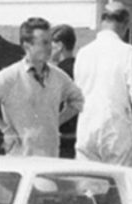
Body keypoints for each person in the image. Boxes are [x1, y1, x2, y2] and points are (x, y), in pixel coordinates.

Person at [0, 17, 83, 157]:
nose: (49, 47)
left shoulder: (58, 76)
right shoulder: (10, 76)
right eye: (44, 43)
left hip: (51, 159)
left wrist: (55, 122)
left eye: (50, 42)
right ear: (27, 45)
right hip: (20, 160)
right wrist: (6, 129)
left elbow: (78, 100)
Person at [73, 2, 132, 166]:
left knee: (87, 178)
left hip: (86, 126)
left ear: (102, 21)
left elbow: (77, 92)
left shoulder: (83, 53)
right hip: (116, 128)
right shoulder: (129, 52)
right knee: (120, 178)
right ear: (125, 25)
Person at [50, 24, 78, 158]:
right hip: (77, 134)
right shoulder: (79, 67)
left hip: (63, 138)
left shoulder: (60, 73)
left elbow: (73, 106)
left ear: (59, 46)